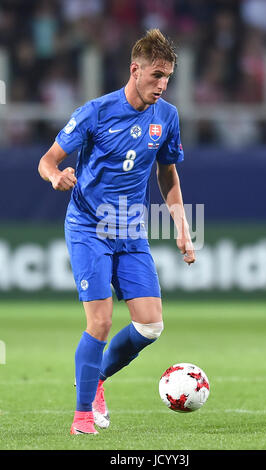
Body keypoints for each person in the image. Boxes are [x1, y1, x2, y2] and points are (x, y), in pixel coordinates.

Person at [38, 28, 195, 435]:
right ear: (135, 69)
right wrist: (56, 176)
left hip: (131, 231)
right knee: (101, 322)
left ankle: (96, 378)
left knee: (150, 325)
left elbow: (168, 173)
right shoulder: (95, 111)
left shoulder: (167, 117)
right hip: (89, 226)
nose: (162, 85)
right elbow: (48, 159)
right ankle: (82, 416)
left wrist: (181, 225)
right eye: (156, 75)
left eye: (168, 77)